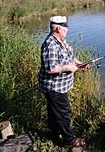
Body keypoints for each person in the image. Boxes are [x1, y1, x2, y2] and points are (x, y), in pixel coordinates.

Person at [38, 15, 89, 148]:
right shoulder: (50, 45)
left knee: (55, 113)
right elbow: (50, 69)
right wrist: (68, 68)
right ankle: (69, 141)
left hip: (60, 86)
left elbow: (69, 56)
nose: (67, 29)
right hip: (54, 88)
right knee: (64, 113)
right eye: (65, 27)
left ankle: (55, 135)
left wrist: (80, 64)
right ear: (58, 29)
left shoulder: (61, 40)